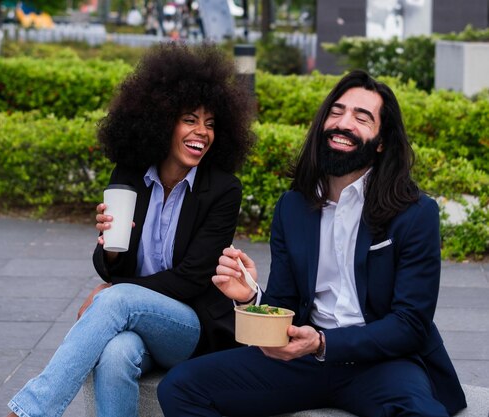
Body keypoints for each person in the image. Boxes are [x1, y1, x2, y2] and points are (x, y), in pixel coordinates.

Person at [158, 70, 468, 417]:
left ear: (381, 141)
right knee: (181, 387)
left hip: (383, 362)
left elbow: (410, 324)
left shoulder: (415, 213)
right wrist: (250, 296)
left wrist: (325, 343)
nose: (343, 123)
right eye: (336, 112)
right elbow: (285, 303)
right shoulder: (294, 207)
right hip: (303, 358)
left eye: (361, 117)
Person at [5, 42, 256, 417]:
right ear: (161, 119)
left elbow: (190, 280)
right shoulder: (129, 176)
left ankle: (29, 411)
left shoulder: (222, 190)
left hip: (191, 326)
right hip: (134, 319)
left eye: (210, 123)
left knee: (114, 299)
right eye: (190, 119)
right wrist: (109, 247)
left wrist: (116, 291)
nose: (201, 132)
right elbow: (112, 268)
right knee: (115, 354)